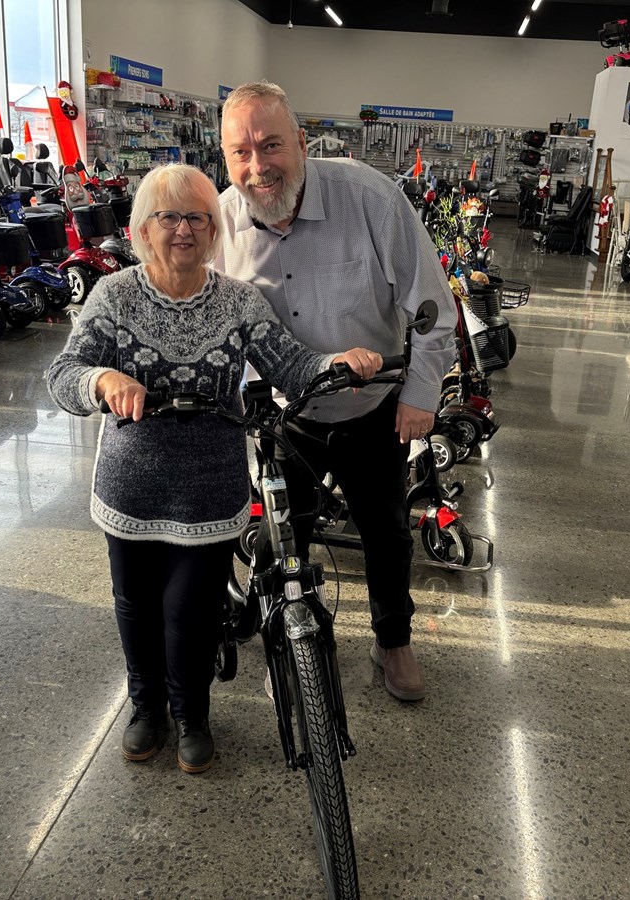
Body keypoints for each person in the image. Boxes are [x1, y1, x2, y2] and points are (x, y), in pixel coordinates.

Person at [47, 163, 382, 773]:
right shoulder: (113, 295)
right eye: (169, 217)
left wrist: (339, 363)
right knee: (135, 606)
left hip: (209, 490)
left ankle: (191, 714)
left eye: (198, 218)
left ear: (213, 229)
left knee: (189, 612)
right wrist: (102, 379)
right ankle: (145, 707)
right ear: (143, 229)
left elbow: (291, 365)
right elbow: (63, 375)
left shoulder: (238, 301)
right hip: (131, 489)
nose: (184, 229)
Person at [212, 81, 457, 702]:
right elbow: (207, 321)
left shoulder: (371, 198)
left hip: (369, 405)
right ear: (226, 157)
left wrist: (420, 394)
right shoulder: (219, 222)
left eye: (271, 145)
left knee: (386, 531)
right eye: (241, 152)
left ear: (301, 142)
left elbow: (433, 306)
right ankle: (289, 640)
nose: (258, 166)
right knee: (280, 537)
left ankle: (392, 639)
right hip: (283, 414)